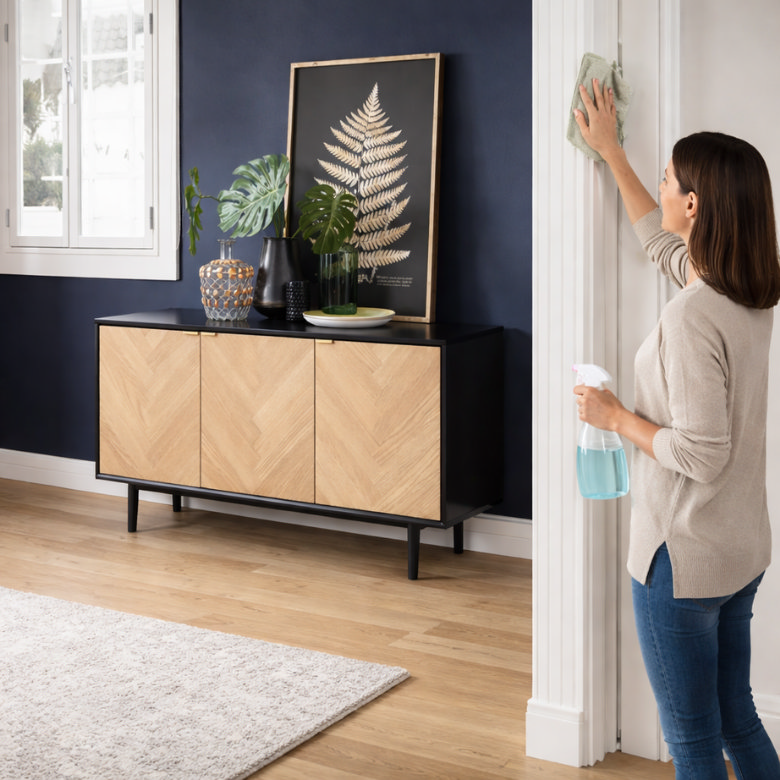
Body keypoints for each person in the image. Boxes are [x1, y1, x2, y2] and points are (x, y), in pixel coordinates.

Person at [572, 78, 780, 780]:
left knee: (692, 742)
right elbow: (661, 247)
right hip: (741, 550)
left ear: (693, 205)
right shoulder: (746, 293)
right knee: (737, 719)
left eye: (666, 178)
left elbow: (701, 451)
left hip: (683, 557)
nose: (659, 186)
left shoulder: (694, 316)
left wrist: (614, 416)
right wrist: (613, 156)